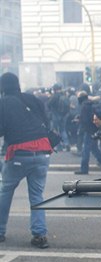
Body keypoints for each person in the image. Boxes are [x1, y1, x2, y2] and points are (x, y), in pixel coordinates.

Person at [0, 72, 53, 248]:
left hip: (19, 153)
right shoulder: (31, 99)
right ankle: (40, 235)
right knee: (37, 195)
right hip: (43, 152)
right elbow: (47, 120)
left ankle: (0, 231)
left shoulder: (4, 103)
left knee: (6, 191)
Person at [75, 91, 101, 175]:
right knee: (94, 147)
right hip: (95, 128)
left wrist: (79, 120)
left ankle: (84, 169)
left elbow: (85, 119)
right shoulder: (91, 103)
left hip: (88, 130)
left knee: (86, 150)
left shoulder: (84, 106)